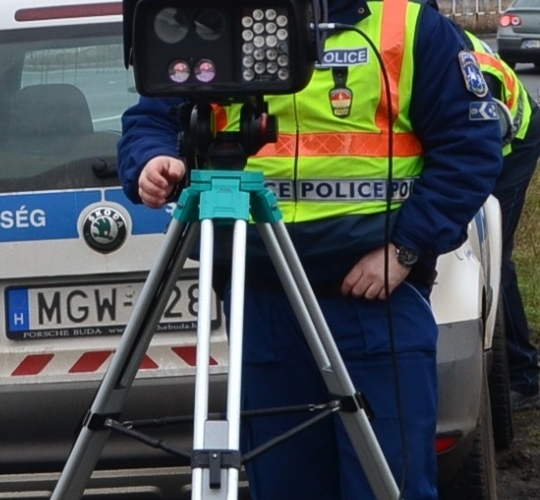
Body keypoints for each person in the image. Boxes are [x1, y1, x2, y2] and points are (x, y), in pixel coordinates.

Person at [117, 0, 504, 498]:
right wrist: (152, 160)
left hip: (373, 296)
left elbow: (470, 146)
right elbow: (150, 117)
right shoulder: (216, 17)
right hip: (263, 295)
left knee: (389, 482)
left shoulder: (406, 26)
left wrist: (406, 249)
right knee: (284, 481)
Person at [457, 25, 540, 410]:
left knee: (493, 256)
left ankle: (523, 375)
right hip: (490, 138)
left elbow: (478, 152)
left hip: (513, 143)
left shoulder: (469, 69)